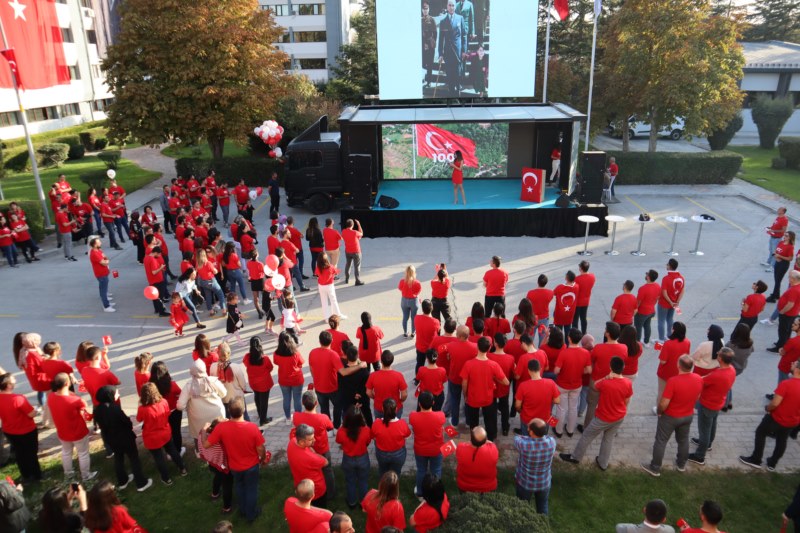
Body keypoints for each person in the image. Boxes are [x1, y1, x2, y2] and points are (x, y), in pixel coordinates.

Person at [560, 356, 633, 471]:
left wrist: (606, 377)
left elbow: (595, 385)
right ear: (623, 368)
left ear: (610, 367)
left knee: (587, 435)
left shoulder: (606, 383)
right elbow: (627, 400)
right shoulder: (628, 383)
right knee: (608, 439)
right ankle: (603, 463)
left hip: (603, 417)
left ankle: (576, 457)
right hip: (619, 417)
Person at [203, 397, 267, 523]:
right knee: (251, 489)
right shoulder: (252, 428)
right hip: (251, 466)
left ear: (229, 411)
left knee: (239, 487)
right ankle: (251, 514)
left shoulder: (221, 428)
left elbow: (206, 445)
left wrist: (205, 430)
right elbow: (260, 449)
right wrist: (263, 459)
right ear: (243, 410)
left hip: (234, 466)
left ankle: (243, 510)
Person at [641, 355, 703, 477]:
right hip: (688, 415)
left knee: (661, 441)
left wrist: (659, 411)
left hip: (670, 417)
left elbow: (664, 402)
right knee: (683, 440)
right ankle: (681, 464)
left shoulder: (673, 381)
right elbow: (698, 397)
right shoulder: (698, 378)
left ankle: (655, 467)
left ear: (678, 365)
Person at [740, 359, 800, 471]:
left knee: (760, 433)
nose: (792, 364)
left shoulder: (786, 384)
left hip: (776, 418)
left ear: (797, 369)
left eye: (794, 363)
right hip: (792, 421)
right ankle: (772, 463)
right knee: (782, 440)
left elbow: (775, 403)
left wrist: (768, 408)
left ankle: (756, 459)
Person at [93, 385, 153, 492]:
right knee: (134, 459)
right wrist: (129, 423)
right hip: (125, 438)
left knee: (118, 458)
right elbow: (126, 422)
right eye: (116, 393)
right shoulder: (115, 409)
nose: (118, 395)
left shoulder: (98, 410)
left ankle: (122, 481)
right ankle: (141, 483)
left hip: (111, 439)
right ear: (109, 395)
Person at [687, 348, 736, 466]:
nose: (717, 354)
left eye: (718, 354)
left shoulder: (718, 374)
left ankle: (699, 456)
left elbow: (701, 381)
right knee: (712, 424)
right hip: (718, 402)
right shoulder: (732, 370)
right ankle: (708, 444)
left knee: (704, 430)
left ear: (720, 358)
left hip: (707, 404)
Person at [48, 372, 96, 481]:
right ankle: (86, 475)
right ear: (66, 383)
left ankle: (68, 473)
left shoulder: (51, 397)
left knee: (66, 452)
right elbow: (85, 407)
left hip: (63, 432)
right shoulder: (75, 400)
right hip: (78, 432)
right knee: (83, 454)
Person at [137, 382, 187, 485]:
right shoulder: (163, 401)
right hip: (165, 432)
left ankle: (166, 478)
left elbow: (138, 419)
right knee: (172, 451)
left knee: (158, 457)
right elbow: (168, 413)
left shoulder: (143, 409)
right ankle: (182, 469)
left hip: (152, 436)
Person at [293, 390, 336, 500]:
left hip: (306, 450)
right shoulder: (323, 418)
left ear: (302, 403)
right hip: (322, 449)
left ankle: (309, 490)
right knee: (327, 470)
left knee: (311, 471)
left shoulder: (296, 417)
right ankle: (331, 493)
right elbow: (331, 427)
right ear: (316, 403)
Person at [176, 359, 226, 453]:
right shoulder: (213, 381)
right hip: (216, 415)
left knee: (198, 435)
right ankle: (220, 451)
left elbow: (180, 406)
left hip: (197, 419)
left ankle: (199, 452)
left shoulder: (189, 386)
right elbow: (224, 393)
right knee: (219, 433)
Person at [583, 322, 627, 428]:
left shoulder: (598, 348)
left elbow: (591, 360)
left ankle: (587, 427)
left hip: (597, 381)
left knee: (592, 405)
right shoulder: (624, 348)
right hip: (614, 382)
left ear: (607, 334)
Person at [0, 373, 41, 482]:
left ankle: (26, 475)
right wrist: (37, 410)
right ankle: (36, 475)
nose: (15, 380)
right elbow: (31, 414)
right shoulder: (18, 398)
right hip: (26, 430)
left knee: (20, 453)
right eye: (13, 380)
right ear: (8, 385)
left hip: (9, 431)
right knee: (31, 453)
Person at [554, 328, 592, 437]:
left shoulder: (564, 353)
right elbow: (589, 370)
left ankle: (559, 430)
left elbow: (556, 370)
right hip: (577, 385)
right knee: (573, 408)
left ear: (569, 338)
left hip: (562, 384)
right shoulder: (585, 353)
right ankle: (570, 430)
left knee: (561, 408)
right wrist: (579, 371)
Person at [513, 418, 556, 514]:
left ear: (531, 432)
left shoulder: (524, 445)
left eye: (528, 428)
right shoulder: (552, 442)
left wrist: (527, 437)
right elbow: (547, 437)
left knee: (522, 507)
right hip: (544, 483)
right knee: (543, 506)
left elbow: (516, 438)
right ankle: (543, 526)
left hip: (525, 483)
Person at [409, 391, 445, 496]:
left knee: (421, 470)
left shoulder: (413, 416)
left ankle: (420, 492)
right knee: (436, 470)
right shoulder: (440, 416)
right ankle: (435, 491)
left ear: (419, 404)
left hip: (420, 449)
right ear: (433, 403)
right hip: (436, 449)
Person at [336, 406, 372, 509]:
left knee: (350, 481)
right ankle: (363, 503)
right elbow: (367, 442)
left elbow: (339, 441)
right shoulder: (366, 430)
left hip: (348, 459)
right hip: (363, 458)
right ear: (361, 418)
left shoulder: (341, 432)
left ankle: (352, 502)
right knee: (363, 481)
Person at [287, 423, 329, 508]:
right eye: (310, 439)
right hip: (316, 489)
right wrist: (314, 452)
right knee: (320, 509)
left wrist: (309, 448)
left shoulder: (292, 442)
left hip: (301, 485)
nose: (314, 440)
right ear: (302, 442)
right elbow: (326, 462)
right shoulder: (311, 457)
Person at [514, 358, 560, 435]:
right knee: (542, 438)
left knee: (527, 439)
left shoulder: (523, 386)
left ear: (528, 370)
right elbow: (557, 400)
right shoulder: (551, 383)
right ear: (541, 369)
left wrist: (520, 411)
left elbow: (517, 405)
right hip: (545, 419)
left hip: (527, 419)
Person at [654, 322, 691, 412]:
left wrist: (663, 349)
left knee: (662, 392)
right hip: (679, 372)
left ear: (673, 330)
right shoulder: (687, 341)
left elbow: (663, 361)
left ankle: (659, 409)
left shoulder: (668, 343)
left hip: (666, 373)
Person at [371, 398, 411, 477]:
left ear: (382, 409)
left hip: (382, 454)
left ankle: (383, 487)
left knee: (383, 473)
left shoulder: (376, 423)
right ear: (396, 409)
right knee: (395, 475)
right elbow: (408, 436)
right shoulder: (402, 424)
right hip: (398, 454)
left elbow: (373, 437)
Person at [211, 342, 250, 420]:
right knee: (243, 417)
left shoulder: (213, 366)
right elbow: (243, 384)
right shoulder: (235, 367)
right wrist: (243, 389)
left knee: (227, 418)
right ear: (229, 354)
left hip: (223, 398)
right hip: (237, 397)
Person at [273, 331, 305, 423]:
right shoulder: (295, 353)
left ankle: (288, 418)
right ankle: (298, 418)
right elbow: (301, 363)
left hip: (283, 379)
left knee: (286, 398)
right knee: (297, 399)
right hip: (296, 379)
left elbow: (276, 362)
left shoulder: (276, 353)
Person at [366, 350, 408, 420]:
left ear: (381, 361)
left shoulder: (373, 376)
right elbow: (404, 394)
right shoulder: (399, 376)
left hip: (379, 407)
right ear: (392, 361)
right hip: (395, 407)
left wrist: (375, 397)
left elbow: (368, 392)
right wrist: (401, 400)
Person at [455, 426, 498, 493]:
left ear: (471, 438)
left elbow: (464, 445)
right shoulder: (493, 449)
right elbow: (491, 443)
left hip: (465, 486)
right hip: (488, 487)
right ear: (485, 440)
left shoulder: (461, 448)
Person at [437, 1, 466, 96]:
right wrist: (440, 53)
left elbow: (464, 36)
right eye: (449, 5)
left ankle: (457, 92)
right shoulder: (443, 21)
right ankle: (450, 92)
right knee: (449, 74)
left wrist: (464, 51)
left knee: (457, 74)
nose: (451, 7)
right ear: (447, 6)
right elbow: (441, 39)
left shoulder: (460, 18)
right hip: (448, 52)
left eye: (453, 5)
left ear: (455, 6)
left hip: (457, 52)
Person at [244, 337, 274, 427]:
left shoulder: (247, 357)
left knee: (257, 398)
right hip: (264, 383)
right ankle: (263, 419)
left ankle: (260, 414)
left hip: (253, 382)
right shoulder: (265, 358)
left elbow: (245, 364)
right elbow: (270, 368)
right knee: (264, 401)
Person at [487, 334, 514, 435]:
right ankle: (505, 428)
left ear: (496, 344)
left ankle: (493, 430)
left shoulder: (489, 356)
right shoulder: (510, 358)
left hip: (491, 388)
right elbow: (512, 374)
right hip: (504, 387)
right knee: (505, 408)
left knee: (492, 410)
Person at [769, 270, 800, 353]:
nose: (788, 278)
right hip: (793, 313)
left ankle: (780, 346)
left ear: (793, 279)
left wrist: (782, 311)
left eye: (789, 277)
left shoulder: (794, 290)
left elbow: (790, 304)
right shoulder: (797, 287)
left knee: (783, 330)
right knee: (787, 330)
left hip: (787, 314)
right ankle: (783, 343)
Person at [657, 259, 685, 343]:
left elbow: (664, 292)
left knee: (661, 321)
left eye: (667, 264)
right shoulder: (681, 278)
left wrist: (669, 302)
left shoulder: (666, 278)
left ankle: (661, 338)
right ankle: (669, 335)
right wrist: (676, 302)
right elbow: (682, 290)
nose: (666, 265)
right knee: (670, 319)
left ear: (670, 266)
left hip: (664, 303)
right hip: (674, 302)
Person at [767, 231, 796, 302]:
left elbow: (790, 258)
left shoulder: (790, 247)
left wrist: (780, 257)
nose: (784, 237)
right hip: (777, 262)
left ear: (790, 238)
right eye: (785, 235)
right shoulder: (781, 243)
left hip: (783, 265)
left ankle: (773, 296)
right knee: (776, 280)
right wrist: (776, 256)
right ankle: (777, 294)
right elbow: (777, 251)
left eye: (786, 236)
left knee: (778, 281)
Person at [88, 237, 114, 313]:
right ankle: (106, 306)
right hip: (101, 274)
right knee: (103, 290)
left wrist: (106, 260)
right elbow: (104, 262)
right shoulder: (94, 254)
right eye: (99, 242)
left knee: (103, 288)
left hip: (104, 272)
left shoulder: (99, 250)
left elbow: (105, 257)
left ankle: (106, 301)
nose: (101, 243)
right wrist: (107, 261)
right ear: (95, 245)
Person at [635, 270, 661, 346]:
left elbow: (638, 302)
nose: (646, 274)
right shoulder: (657, 286)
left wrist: (635, 310)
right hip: (651, 310)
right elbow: (657, 298)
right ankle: (646, 342)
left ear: (648, 277)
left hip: (642, 312)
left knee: (638, 328)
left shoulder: (643, 288)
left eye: (647, 274)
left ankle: (637, 343)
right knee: (647, 326)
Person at [316, 252, 344, 320]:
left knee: (324, 302)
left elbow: (317, 275)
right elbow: (336, 272)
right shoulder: (330, 267)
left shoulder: (318, 267)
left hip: (321, 286)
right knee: (333, 300)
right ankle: (338, 314)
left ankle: (326, 318)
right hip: (329, 285)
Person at [398, 265, 422, 338]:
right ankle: (413, 333)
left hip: (404, 300)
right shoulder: (417, 283)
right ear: (414, 272)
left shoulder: (402, 281)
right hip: (413, 301)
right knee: (413, 317)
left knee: (405, 317)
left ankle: (405, 332)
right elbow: (418, 292)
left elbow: (400, 288)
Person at [553, 271, 579, 335]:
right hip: (570, 313)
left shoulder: (559, 287)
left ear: (566, 278)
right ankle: (567, 344)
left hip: (559, 313)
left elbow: (553, 294)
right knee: (568, 332)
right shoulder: (576, 287)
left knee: (558, 333)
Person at [573, 260, 596, 334]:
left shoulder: (577, 279)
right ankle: (584, 333)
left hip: (577, 302)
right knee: (583, 318)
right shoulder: (592, 276)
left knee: (575, 319)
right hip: (586, 301)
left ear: (581, 268)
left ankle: (575, 334)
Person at [763, 206, 789, 271]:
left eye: (780, 209)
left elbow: (783, 230)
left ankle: (772, 266)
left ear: (783, 212)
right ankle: (768, 262)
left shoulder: (784, 219)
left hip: (777, 238)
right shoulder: (778, 217)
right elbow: (775, 225)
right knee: (771, 250)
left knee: (774, 252)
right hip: (772, 236)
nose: (778, 210)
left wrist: (773, 231)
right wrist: (770, 228)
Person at [342, 219, 364, 285]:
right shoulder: (355, 232)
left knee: (348, 265)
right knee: (357, 266)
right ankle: (357, 280)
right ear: (352, 225)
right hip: (356, 251)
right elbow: (361, 233)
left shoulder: (343, 231)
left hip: (348, 251)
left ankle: (347, 278)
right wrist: (359, 225)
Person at [421, 2, 437, 88]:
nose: (425, 11)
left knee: (430, 64)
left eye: (426, 9)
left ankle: (429, 81)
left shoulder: (432, 20)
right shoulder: (420, 20)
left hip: (430, 46)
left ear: (429, 9)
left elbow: (435, 34)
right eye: (424, 9)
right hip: (422, 46)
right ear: (422, 10)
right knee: (423, 64)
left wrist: (432, 44)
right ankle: (423, 79)